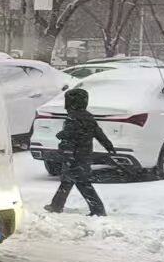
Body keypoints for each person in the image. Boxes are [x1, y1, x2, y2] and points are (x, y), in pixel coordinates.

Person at [46, 85, 118, 216]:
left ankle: (98, 210)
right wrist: (108, 145)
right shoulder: (88, 117)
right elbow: (98, 133)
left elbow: (70, 138)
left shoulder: (72, 118)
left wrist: (66, 152)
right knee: (68, 182)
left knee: (82, 184)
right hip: (84, 156)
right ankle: (56, 205)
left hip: (74, 157)